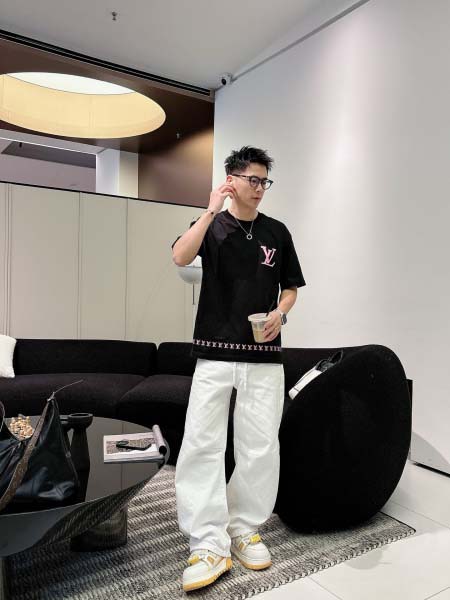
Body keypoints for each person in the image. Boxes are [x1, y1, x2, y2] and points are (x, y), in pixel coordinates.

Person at [172, 146, 306, 592]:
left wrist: (281, 313)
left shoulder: (277, 232)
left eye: (265, 181)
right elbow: (180, 257)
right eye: (253, 179)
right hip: (214, 352)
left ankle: (244, 527)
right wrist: (210, 209)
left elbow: (291, 287)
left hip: (264, 354)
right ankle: (207, 541)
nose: (260, 188)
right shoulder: (212, 226)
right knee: (201, 443)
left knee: (261, 445)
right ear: (231, 179)